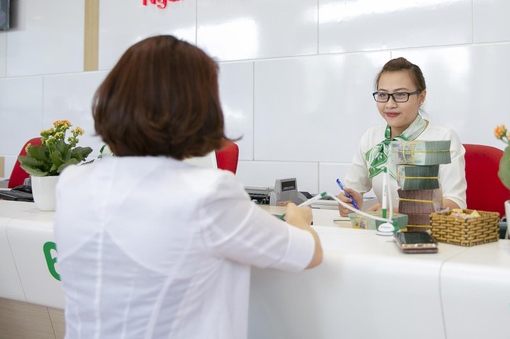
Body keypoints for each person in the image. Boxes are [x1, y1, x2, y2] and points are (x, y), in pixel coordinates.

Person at [54, 35, 322, 339]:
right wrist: (298, 219)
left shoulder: (72, 183)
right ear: (199, 108)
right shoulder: (208, 192)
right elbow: (308, 253)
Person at [338, 57, 467, 216]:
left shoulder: (443, 139)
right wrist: (349, 202)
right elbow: (351, 191)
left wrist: (398, 212)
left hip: (428, 231)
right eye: (383, 95)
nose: (390, 104)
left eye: (400, 94)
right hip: (382, 229)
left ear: (421, 97)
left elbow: (455, 205)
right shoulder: (372, 138)